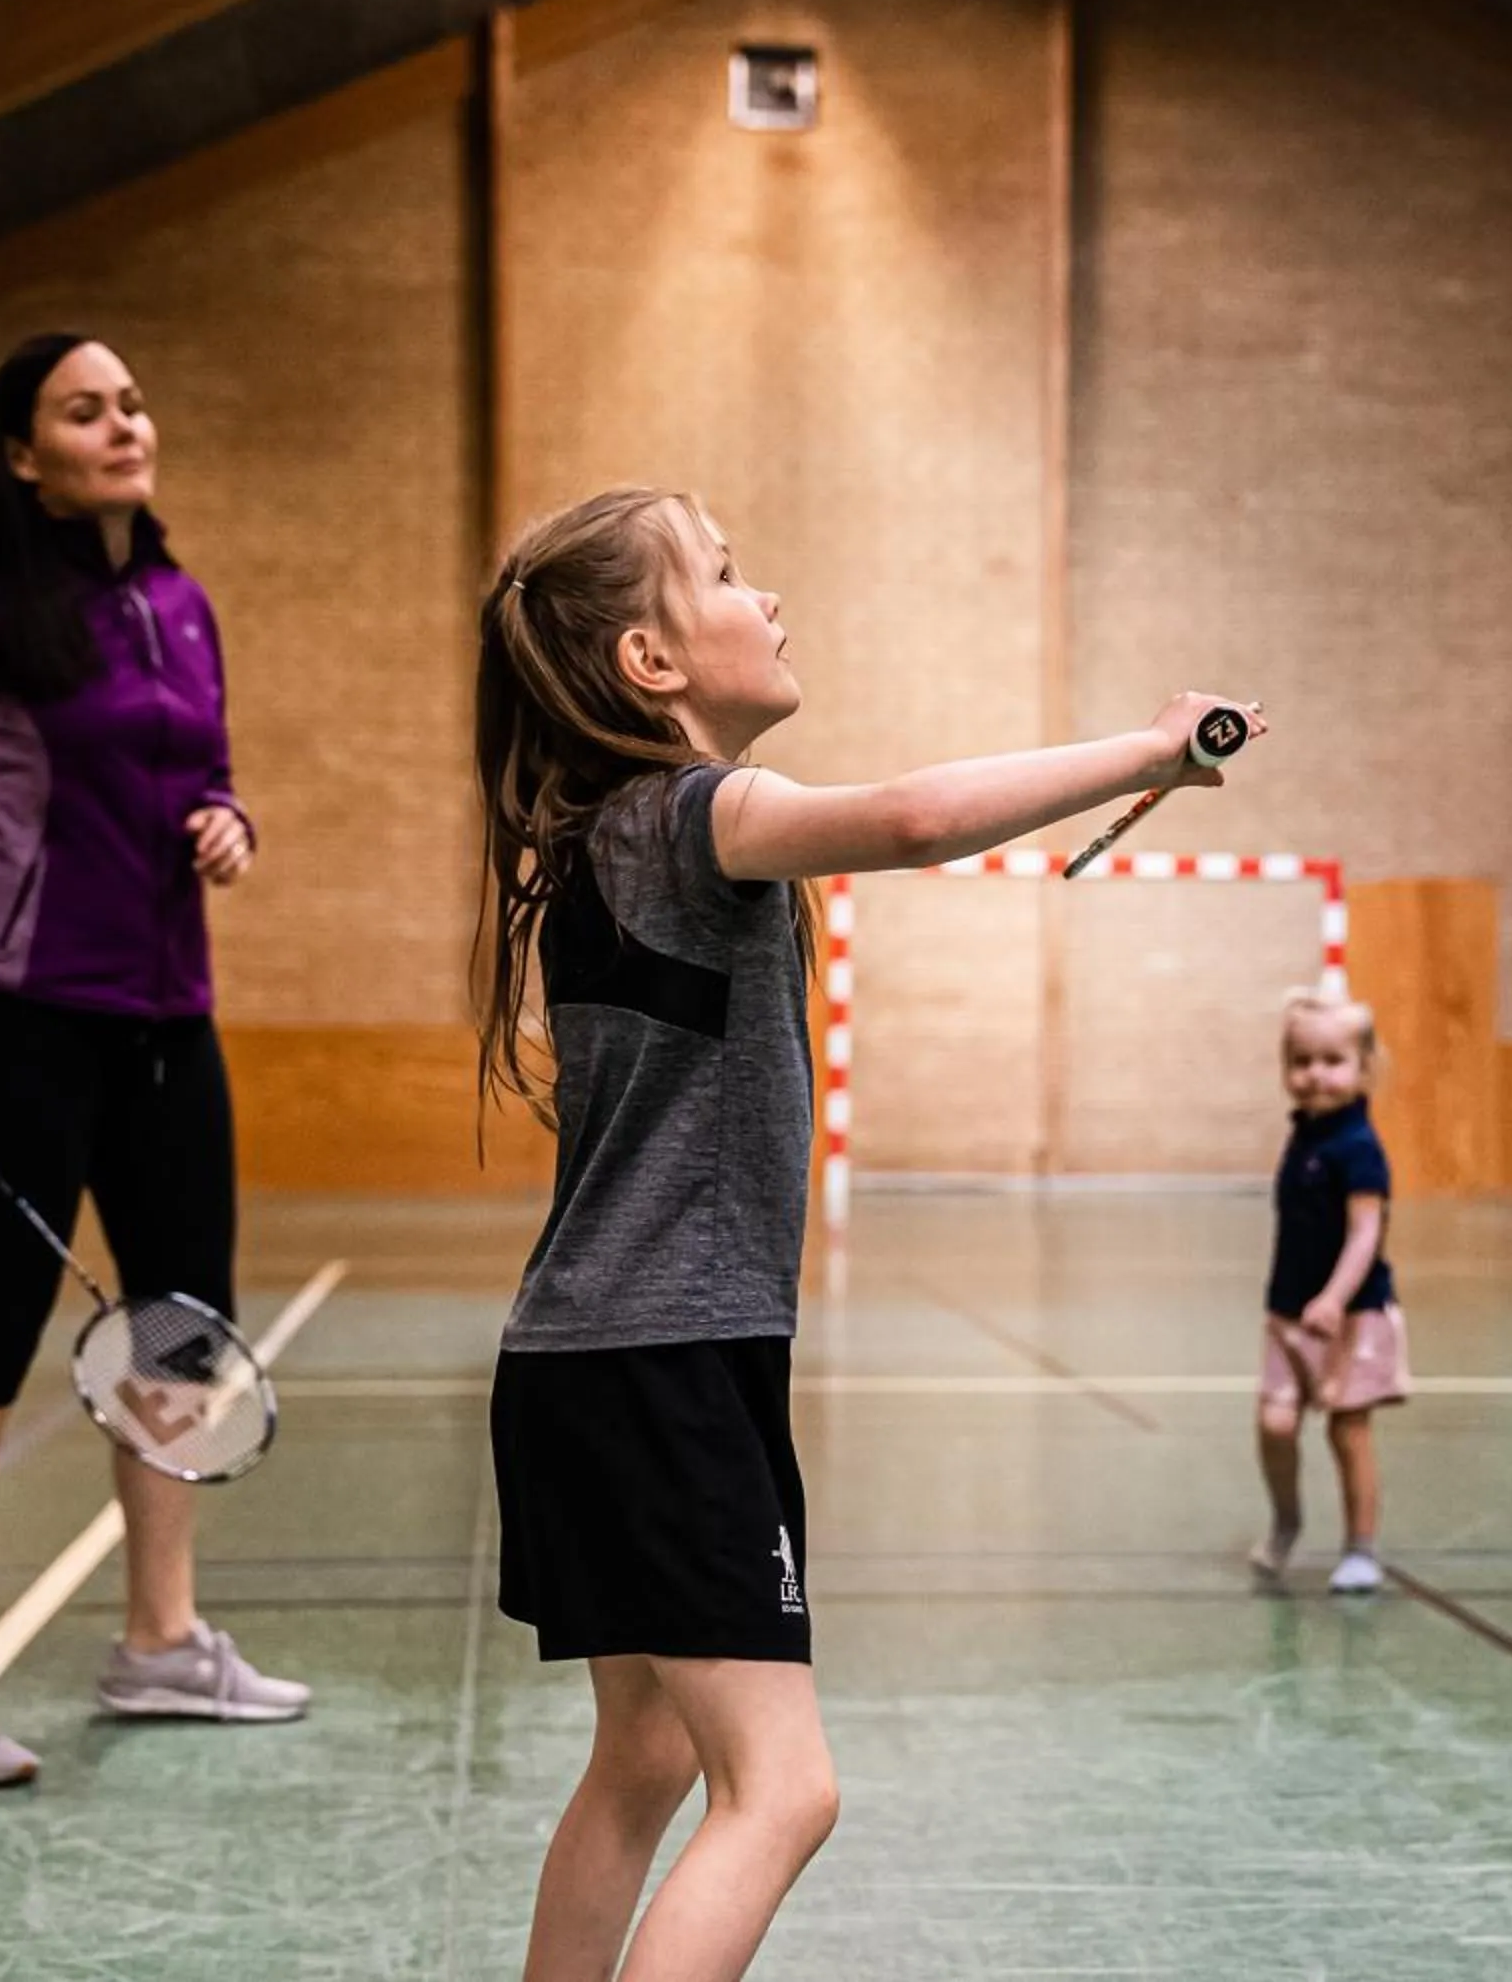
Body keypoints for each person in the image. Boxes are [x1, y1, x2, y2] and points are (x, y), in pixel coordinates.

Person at [475, 484, 1262, 1980]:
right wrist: (1153, 746)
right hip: (666, 1364)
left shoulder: (601, 840)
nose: (765, 595)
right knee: (784, 1791)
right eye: (725, 571)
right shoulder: (693, 817)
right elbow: (908, 818)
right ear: (651, 663)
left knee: (644, 1760)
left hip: (586, 1361)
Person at [0, 332, 307, 1789]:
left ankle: (159, 1643)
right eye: (84, 409)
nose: (123, 424)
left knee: (183, 1329)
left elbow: (199, 772)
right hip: (17, 1014)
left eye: (131, 402)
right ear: (21, 452)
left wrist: (227, 819)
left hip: (170, 1018)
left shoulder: (180, 602)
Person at [1247, 987, 1410, 1596]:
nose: (1316, 1075)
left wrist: (1336, 1297)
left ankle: (1361, 1547)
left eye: (1333, 1061)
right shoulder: (1305, 1134)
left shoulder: (1358, 1147)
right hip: (1288, 1311)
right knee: (1276, 1424)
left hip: (1351, 1315)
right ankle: (1287, 1520)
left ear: (1365, 1069)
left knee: (1348, 1430)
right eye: (1301, 1061)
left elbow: (1368, 1231)